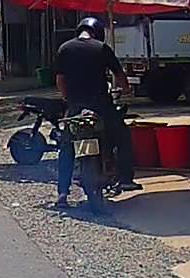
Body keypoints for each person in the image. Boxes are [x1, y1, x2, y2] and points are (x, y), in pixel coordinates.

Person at [53, 17, 141, 208]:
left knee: (67, 148)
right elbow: (119, 75)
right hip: (101, 107)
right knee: (123, 137)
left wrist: (68, 98)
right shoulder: (101, 48)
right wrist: (126, 89)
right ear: (98, 32)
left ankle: (62, 193)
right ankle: (126, 178)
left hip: (76, 108)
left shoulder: (65, 48)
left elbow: (60, 80)